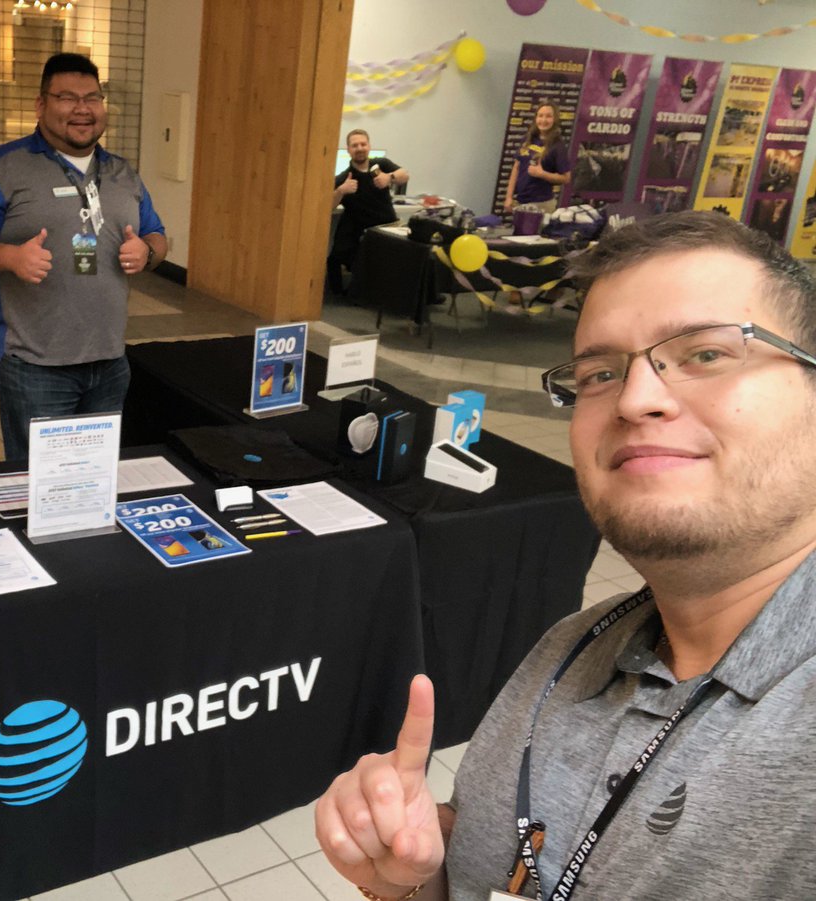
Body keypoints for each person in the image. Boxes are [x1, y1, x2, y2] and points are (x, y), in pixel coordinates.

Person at [315, 210, 816, 900]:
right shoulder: (571, 648)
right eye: (600, 372)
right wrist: (413, 878)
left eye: (706, 353)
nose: (637, 398)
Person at [0, 52, 167, 466]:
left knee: (95, 479)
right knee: (37, 483)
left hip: (110, 359)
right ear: (41, 104)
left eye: (93, 98)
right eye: (67, 98)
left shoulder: (123, 173)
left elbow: (156, 233)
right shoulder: (1, 167)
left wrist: (149, 251)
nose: (82, 109)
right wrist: (8, 256)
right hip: (35, 363)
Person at [328, 129, 409, 295]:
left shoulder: (382, 165)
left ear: (369, 146)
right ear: (349, 150)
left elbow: (405, 175)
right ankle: (339, 295)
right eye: (354, 145)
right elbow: (329, 206)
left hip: (387, 225)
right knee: (334, 258)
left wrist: (389, 177)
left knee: (413, 251)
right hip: (357, 228)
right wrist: (341, 191)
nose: (359, 148)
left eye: (363, 144)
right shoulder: (344, 177)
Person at [504, 102, 571, 216]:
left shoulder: (557, 145)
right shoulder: (528, 139)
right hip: (520, 202)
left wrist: (542, 174)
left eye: (548, 116)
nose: (543, 120)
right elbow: (516, 167)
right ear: (536, 118)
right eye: (540, 115)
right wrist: (509, 197)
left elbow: (566, 178)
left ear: (555, 119)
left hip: (542, 204)